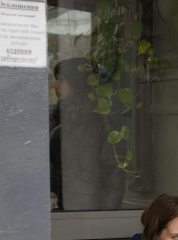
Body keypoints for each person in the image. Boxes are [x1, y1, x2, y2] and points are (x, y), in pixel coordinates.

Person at [51, 58, 125, 211]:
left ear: (77, 85)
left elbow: (115, 176)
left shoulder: (101, 125)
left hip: (90, 218)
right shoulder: (58, 124)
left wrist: (105, 218)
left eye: (61, 80)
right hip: (64, 214)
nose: (55, 85)